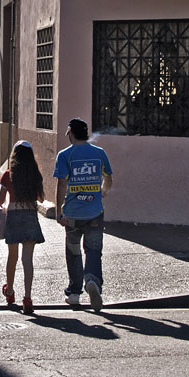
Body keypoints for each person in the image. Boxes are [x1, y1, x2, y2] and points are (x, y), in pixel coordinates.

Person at [53, 118, 113, 312]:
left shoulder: (65, 155)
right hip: (95, 212)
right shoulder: (99, 153)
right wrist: (102, 191)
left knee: (73, 251)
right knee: (94, 250)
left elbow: (62, 184)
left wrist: (58, 210)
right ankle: (92, 281)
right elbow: (108, 178)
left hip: (72, 214)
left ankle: (74, 293)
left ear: (70, 132)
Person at [0, 140, 45, 315]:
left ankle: (9, 292)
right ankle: (28, 298)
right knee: (27, 260)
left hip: (14, 217)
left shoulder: (8, 175)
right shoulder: (35, 175)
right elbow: (40, 199)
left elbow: (0, 200)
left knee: (12, 257)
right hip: (30, 216)